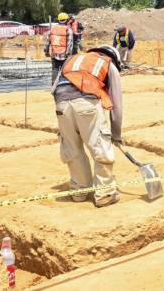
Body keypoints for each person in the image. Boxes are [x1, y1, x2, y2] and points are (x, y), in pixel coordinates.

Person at [52, 45, 124, 207]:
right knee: (100, 147)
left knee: (72, 149)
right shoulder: (107, 63)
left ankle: (79, 190)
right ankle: (105, 193)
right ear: (113, 57)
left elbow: (55, 87)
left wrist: (63, 121)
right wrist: (116, 134)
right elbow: (117, 105)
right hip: (87, 104)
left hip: (61, 104)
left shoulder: (71, 59)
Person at [45, 13, 74, 84]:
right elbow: (69, 43)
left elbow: (47, 42)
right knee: (65, 70)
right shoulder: (68, 30)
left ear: (59, 20)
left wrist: (46, 52)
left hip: (54, 53)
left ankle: (54, 85)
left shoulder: (52, 29)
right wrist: (68, 54)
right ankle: (64, 84)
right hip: (65, 54)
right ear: (67, 20)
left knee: (55, 69)